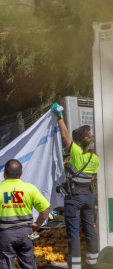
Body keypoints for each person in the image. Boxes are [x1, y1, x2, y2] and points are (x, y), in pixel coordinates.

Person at [0, 159, 51, 269]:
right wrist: (38, 224)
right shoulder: (30, 188)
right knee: (28, 264)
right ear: (21, 173)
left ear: (4, 172)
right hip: (26, 233)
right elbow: (46, 208)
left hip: (5, 234)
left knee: (5, 264)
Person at [52, 103, 100, 269]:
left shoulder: (76, 153)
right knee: (90, 228)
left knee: (73, 231)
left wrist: (59, 116)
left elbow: (65, 135)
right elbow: (92, 178)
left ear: (78, 141)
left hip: (75, 198)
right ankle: (93, 263)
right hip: (89, 197)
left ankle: (75, 266)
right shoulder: (95, 158)